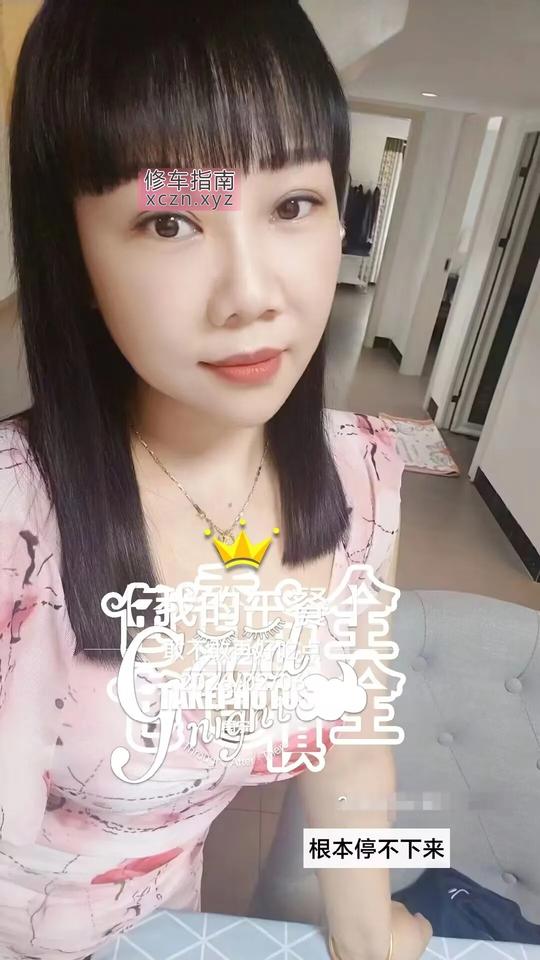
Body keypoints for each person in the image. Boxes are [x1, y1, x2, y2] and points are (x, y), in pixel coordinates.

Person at [0, 2, 432, 958]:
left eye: (292, 205)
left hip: (170, 925)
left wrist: (366, 930)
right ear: (73, 251)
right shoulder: (16, 517)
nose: (252, 295)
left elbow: (355, 740)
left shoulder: (363, 475)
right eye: (170, 220)